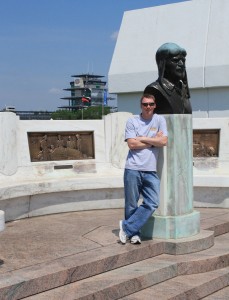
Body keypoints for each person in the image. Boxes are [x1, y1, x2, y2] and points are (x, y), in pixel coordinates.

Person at [119, 94, 168, 244]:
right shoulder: (132, 121)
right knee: (132, 203)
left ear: (155, 105)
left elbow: (164, 141)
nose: (148, 107)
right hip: (132, 168)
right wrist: (154, 141)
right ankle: (134, 234)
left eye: (151, 104)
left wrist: (141, 138)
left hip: (150, 170)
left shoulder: (159, 120)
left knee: (152, 202)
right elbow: (132, 145)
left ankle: (126, 227)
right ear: (141, 105)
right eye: (145, 104)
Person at [144, 42, 192, 114]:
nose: (181, 64)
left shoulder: (183, 90)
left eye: (183, 60)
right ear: (163, 64)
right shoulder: (154, 90)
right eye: (175, 60)